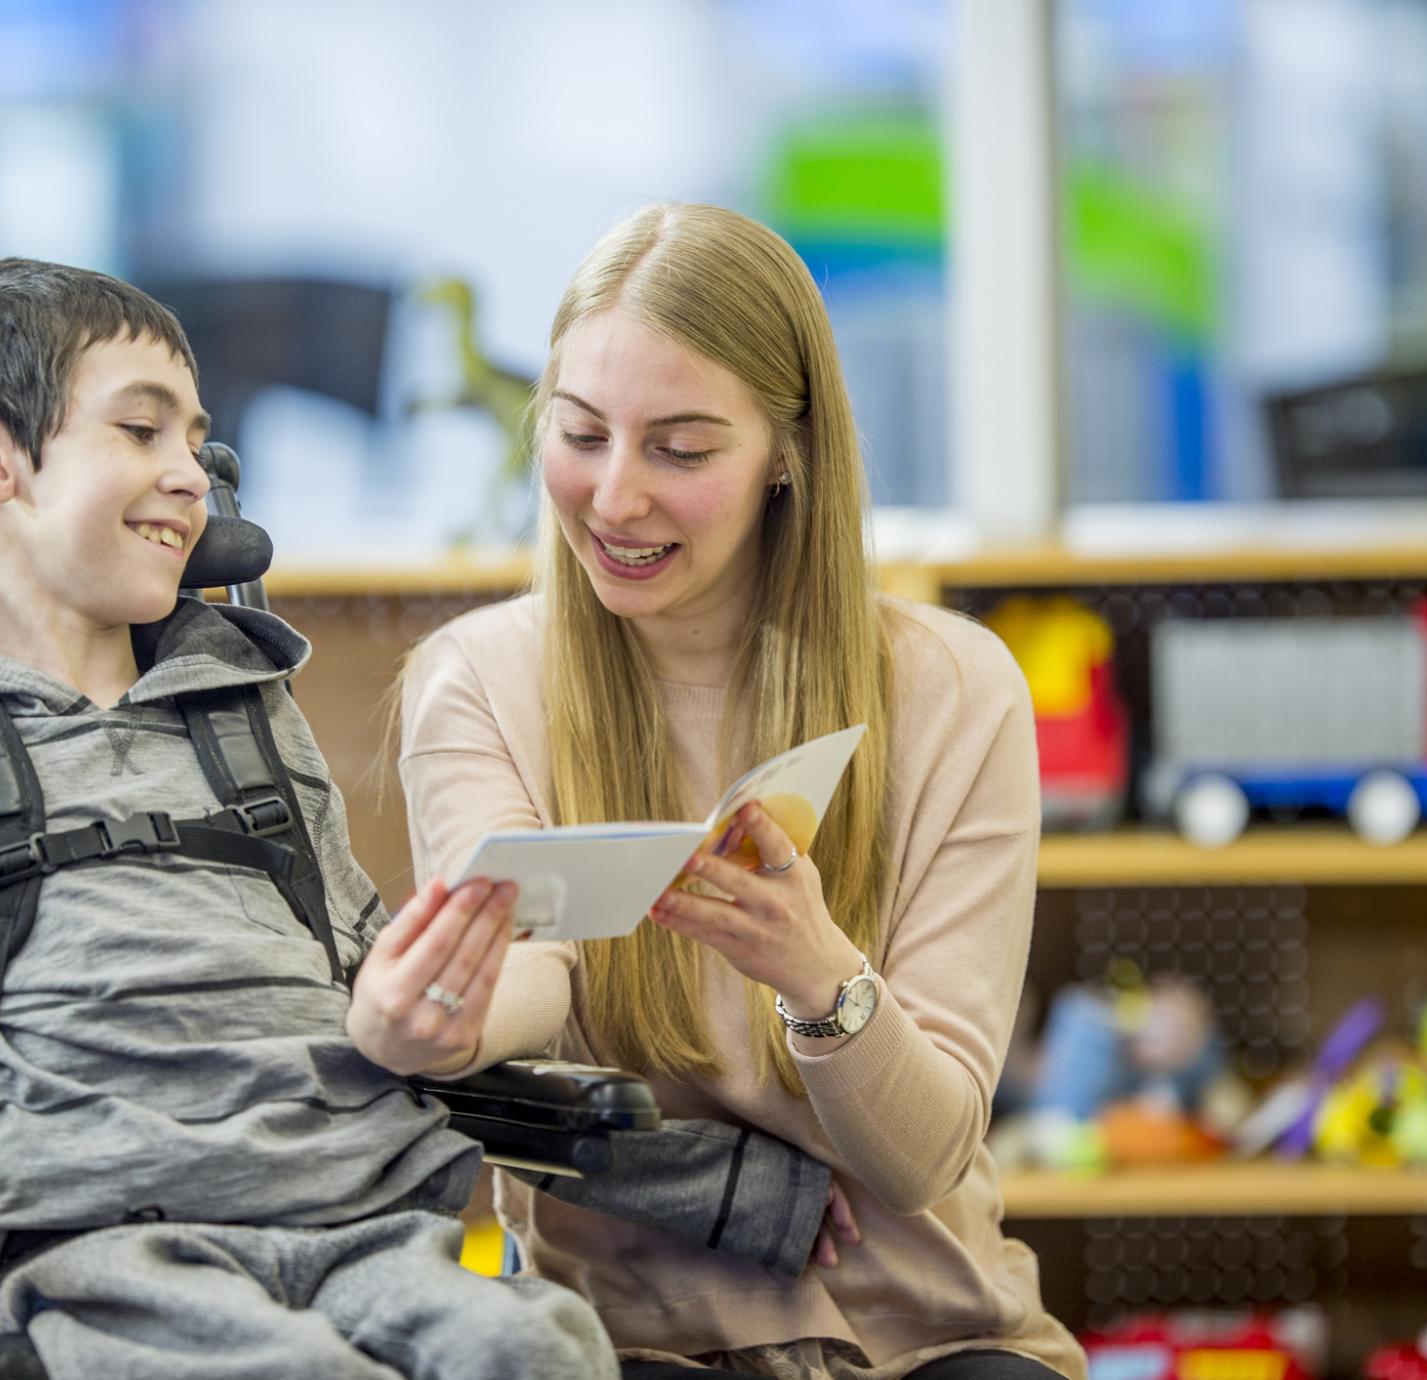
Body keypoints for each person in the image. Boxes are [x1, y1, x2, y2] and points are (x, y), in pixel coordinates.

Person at [0, 258, 615, 1380]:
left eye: (194, 441)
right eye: (141, 432)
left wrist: (745, 1193)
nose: (188, 475)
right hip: (111, 1265)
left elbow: (372, 996)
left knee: (537, 1345)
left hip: (363, 1222)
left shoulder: (251, 730)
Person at [395, 204, 1086, 1380]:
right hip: (626, 1342)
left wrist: (815, 971)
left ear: (785, 455)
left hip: (928, 1337)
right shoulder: (477, 679)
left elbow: (923, 1158)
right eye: (579, 434)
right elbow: (527, 974)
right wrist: (449, 1016)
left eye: (679, 449)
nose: (612, 499)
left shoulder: (955, 689)